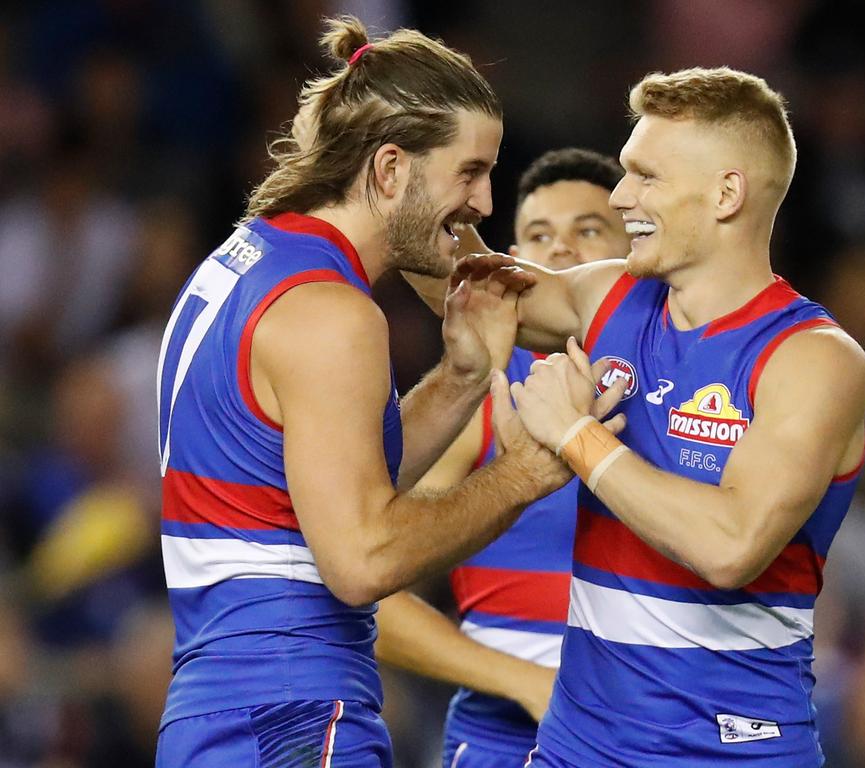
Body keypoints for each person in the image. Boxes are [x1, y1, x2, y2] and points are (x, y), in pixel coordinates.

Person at [154, 18, 616, 768]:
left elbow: (320, 490)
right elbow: (362, 560)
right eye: (468, 173)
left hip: (217, 713)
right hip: (295, 717)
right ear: (392, 168)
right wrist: (526, 473)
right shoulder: (332, 314)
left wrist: (463, 379)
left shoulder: (245, 262)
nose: (485, 203)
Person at [436, 66, 865, 766]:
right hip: (577, 748)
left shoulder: (814, 360)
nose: (620, 195)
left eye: (646, 176)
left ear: (727, 193)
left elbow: (732, 547)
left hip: (730, 751)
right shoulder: (610, 297)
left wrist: (577, 439)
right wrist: (396, 173)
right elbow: (471, 289)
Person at [373, 148, 630, 768]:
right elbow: (368, 586)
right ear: (514, 259)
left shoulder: (684, 391)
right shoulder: (484, 394)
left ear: (633, 250)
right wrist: (521, 679)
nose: (562, 251)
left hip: (654, 725)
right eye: (538, 236)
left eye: (589, 230)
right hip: (504, 736)